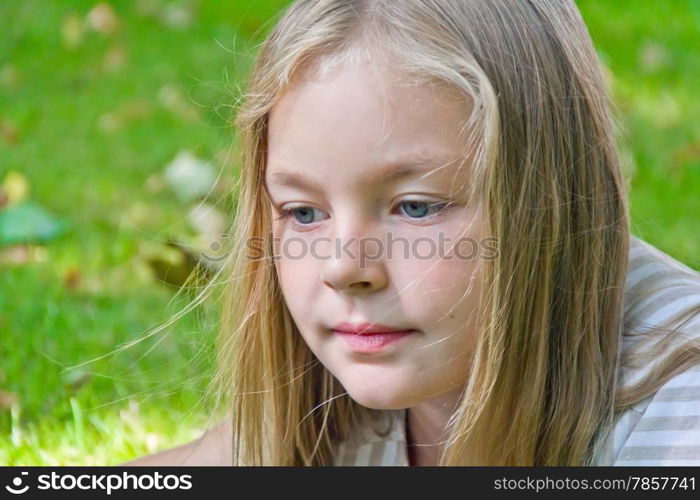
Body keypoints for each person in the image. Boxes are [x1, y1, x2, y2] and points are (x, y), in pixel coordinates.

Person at [126, 0, 700, 466]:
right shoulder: (325, 409)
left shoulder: (678, 413)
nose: (345, 267)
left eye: (416, 208)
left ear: (548, 201)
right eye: (303, 213)